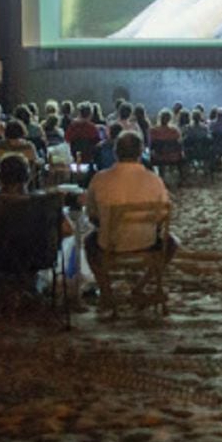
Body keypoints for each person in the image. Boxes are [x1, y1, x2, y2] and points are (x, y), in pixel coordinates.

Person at [0, 154, 74, 306]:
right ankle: (28, 284)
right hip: (40, 256)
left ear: (0, 177)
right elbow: (68, 230)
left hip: (1, 257)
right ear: (28, 176)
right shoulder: (46, 202)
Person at [85, 132, 177, 310]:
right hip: (147, 242)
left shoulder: (100, 179)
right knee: (171, 243)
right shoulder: (154, 180)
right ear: (141, 152)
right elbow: (162, 216)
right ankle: (141, 286)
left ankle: (106, 291)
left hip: (110, 244)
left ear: (115, 152)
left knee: (89, 242)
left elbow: (92, 214)